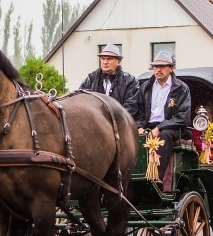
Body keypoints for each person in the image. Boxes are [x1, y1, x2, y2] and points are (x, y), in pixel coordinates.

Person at [135, 51, 191, 192]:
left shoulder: (182, 89)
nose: (158, 70)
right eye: (155, 67)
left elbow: (182, 117)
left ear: (171, 68)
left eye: (162, 66)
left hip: (173, 127)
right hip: (148, 126)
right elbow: (138, 110)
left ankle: (156, 179)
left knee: (164, 135)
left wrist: (160, 127)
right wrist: (140, 127)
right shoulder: (145, 87)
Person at [79, 44, 139, 120]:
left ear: (118, 62)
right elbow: (80, 100)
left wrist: (113, 121)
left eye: (109, 59)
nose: (105, 62)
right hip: (94, 123)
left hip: (120, 124)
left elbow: (131, 106)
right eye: (103, 59)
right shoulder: (91, 79)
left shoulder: (130, 81)